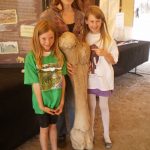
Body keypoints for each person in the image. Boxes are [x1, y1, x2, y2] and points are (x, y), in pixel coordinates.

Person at [39, 0, 86, 147]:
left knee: (73, 102)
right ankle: (60, 133)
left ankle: (75, 135)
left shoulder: (80, 15)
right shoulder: (48, 15)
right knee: (57, 101)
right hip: (55, 66)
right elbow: (42, 40)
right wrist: (62, 63)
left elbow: (82, 41)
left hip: (75, 68)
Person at [24, 20, 67, 150]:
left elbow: (63, 79)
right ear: (37, 38)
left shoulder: (59, 55)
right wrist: (41, 105)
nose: (47, 42)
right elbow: (35, 83)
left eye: (51, 38)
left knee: (54, 127)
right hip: (41, 103)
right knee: (44, 129)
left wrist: (62, 101)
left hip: (56, 101)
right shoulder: (31, 57)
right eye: (43, 38)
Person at [84, 5, 119, 149]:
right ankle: (91, 133)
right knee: (91, 107)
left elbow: (114, 61)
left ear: (102, 22)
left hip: (104, 79)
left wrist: (105, 54)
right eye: (91, 21)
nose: (94, 25)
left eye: (98, 21)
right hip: (90, 79)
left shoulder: (108, 39)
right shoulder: (84, 38)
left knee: (104, 106)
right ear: (86, 21)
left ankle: (106, 135)